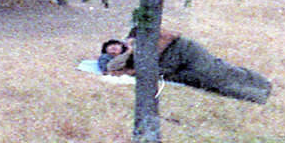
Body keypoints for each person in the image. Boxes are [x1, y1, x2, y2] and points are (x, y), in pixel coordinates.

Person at [99, 30, 273, 103]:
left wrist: (139, 49)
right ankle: (258, 95)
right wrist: (129, 56)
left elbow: (173, 35)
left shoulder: (138, 35)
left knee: (216, 71)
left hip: (183, 51)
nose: (114, 50)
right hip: (174, 68)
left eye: (114, 45)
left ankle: (263, 84)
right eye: (111, 51)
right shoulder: (128, 58)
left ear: (119, 41)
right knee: (209, 83)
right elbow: (112, 69)